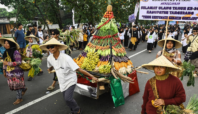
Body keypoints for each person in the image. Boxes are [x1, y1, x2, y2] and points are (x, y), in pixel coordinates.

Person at [40, 38, 98, 114]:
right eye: (48, 47)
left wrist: (92, 76)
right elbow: (52, 64)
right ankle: (73, 111)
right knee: (66, 99)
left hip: (70, 80)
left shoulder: (66, 58)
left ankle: (77, 110)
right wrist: (50, 68)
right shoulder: (49, 58)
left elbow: (79, 69)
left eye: (52, 46)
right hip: (62, 81)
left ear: (57, 47)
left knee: (68, 98)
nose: (50, 49)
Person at [1, 38, 27, 105]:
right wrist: (4, 70)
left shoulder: (16, 52)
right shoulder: (5, 52)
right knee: (15, 84)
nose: (5, 44)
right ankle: (23, 89)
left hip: (17, 72)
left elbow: (19, 62)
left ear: (11, 44)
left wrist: (9, 63)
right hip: (9, 72)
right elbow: (4, 62)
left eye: (7, 43)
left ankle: (19, 98)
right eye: (5, 43)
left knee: (17, 85)